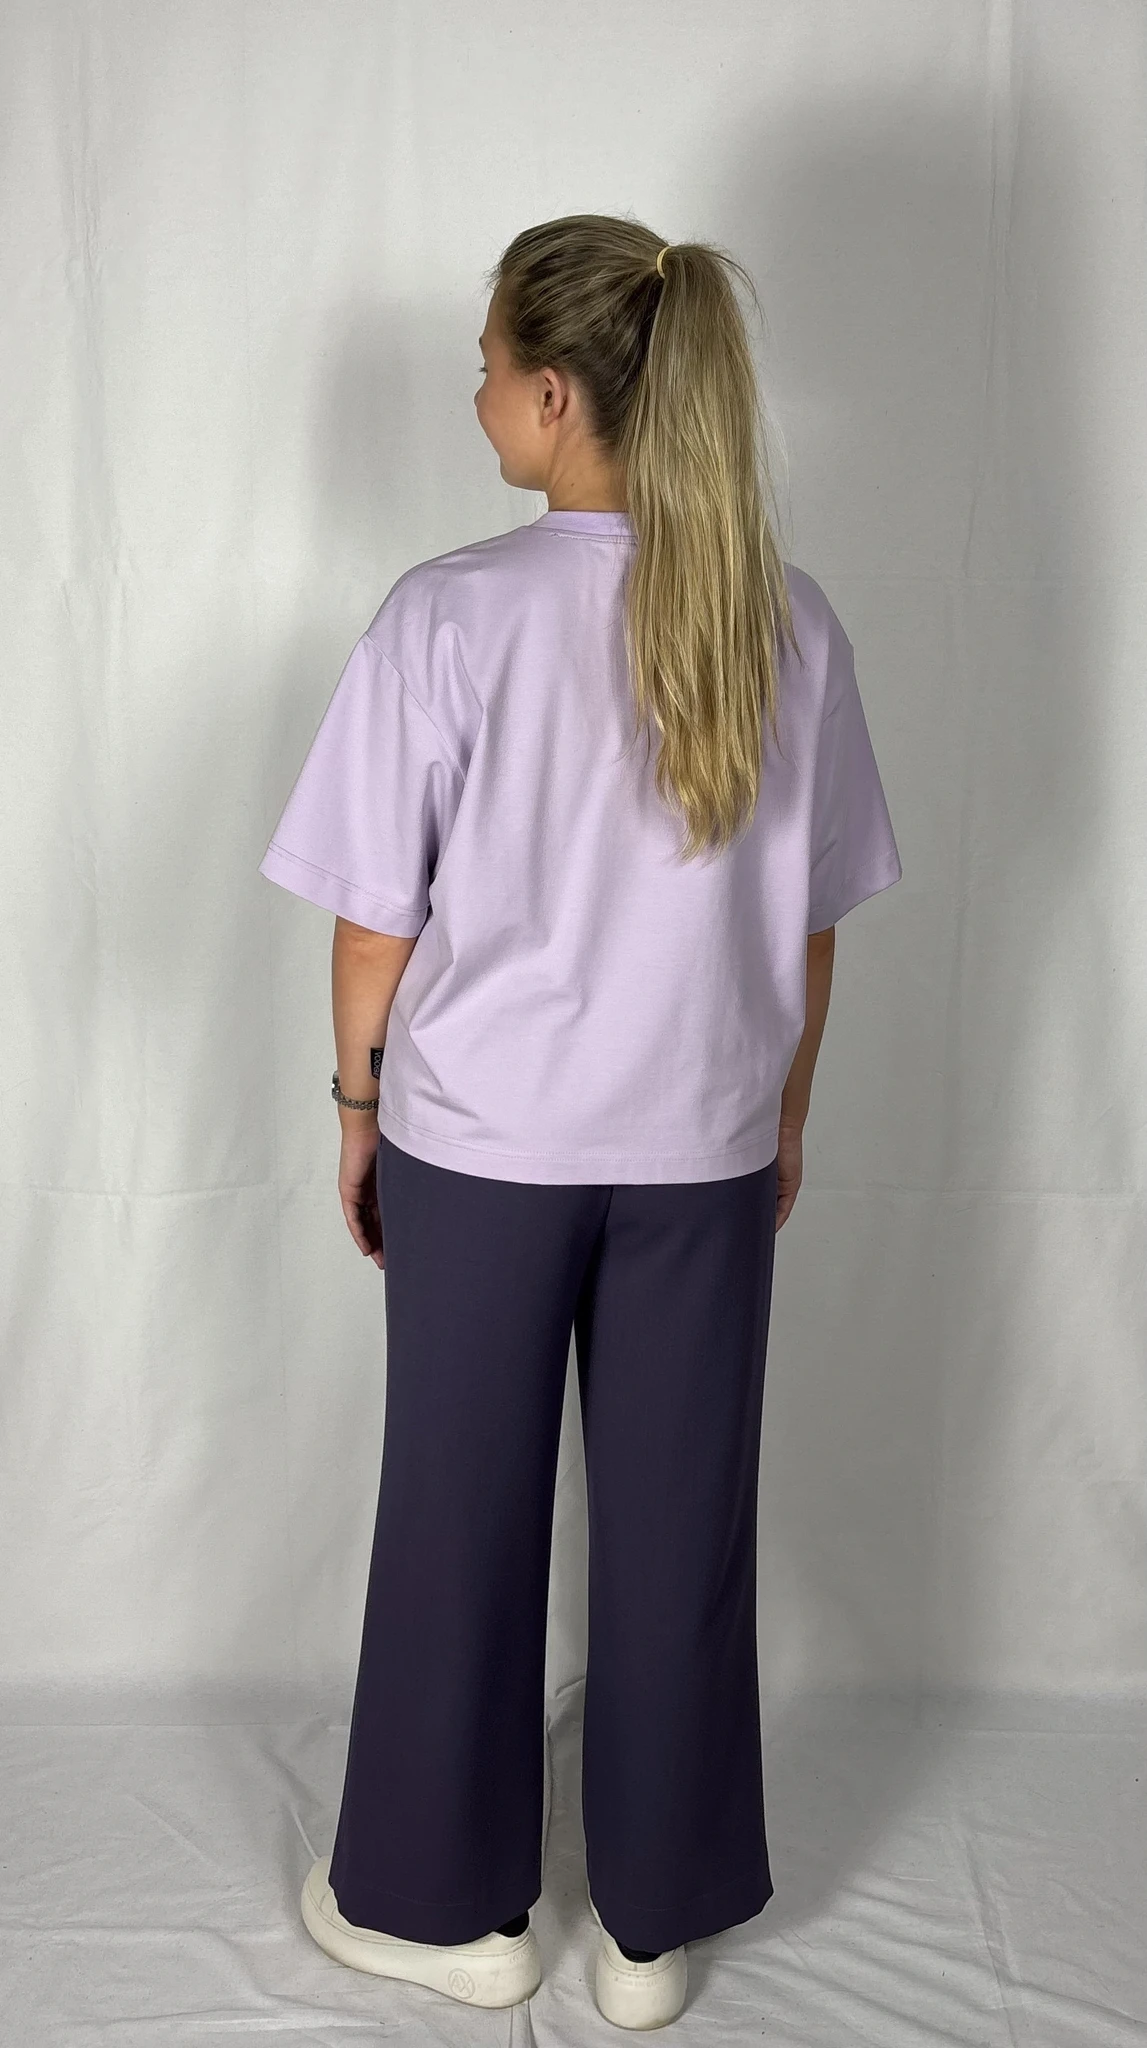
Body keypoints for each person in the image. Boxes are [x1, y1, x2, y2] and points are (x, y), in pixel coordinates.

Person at [258, 213, 902, 2031]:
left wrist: (357, 1108)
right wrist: (781, 1112)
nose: (473, 391)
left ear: (554, 397)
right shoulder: (785, 616)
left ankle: (444, 1913)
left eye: (484, 366)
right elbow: (810, 921)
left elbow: (373, 925)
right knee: (681, 1529)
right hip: (700, 1146)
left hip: (481, 1146)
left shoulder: (447, 615)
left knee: (455, 1516)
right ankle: (647, 1930)